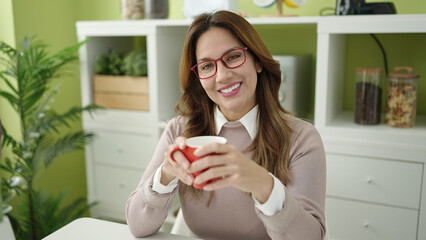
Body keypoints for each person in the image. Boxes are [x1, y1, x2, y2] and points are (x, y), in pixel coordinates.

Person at [126, 10, 326, 240]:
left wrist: (265, 186)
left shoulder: (301, 138)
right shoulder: (179, 131)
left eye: (232, 57)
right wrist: (166, 174)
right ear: (198, 78)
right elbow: (137, 226)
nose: (221, 76)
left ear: (258, 61)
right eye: (207, 66)